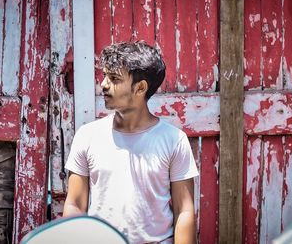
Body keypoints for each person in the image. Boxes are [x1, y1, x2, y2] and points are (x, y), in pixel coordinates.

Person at [63, 41, 199, 244]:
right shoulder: (87, 136)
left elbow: (184, 211)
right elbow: (75, 204)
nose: (104, 84)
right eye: (105, 76)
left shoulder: (173, 140)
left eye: (114, 78)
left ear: (140, 88)